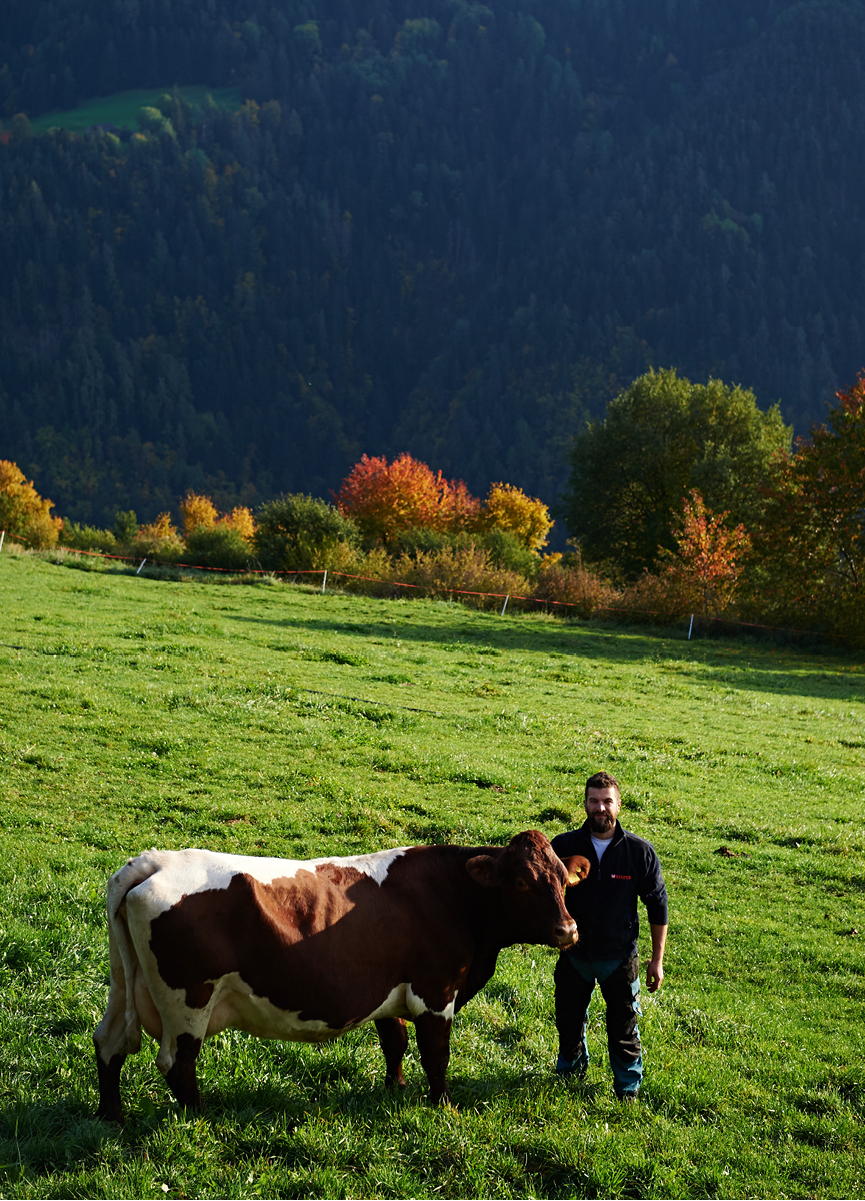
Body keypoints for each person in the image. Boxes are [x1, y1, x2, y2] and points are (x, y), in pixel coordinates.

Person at [550, 770, 668, 1100]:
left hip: (620, 958)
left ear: (619, 805)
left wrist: (656, 960)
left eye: (607, 802)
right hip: (574, 957)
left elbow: (657, 906)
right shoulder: (563, 847)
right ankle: (570, 1072)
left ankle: (627, 1088)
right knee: (568, 1021)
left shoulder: (639, 852)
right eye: (593, 801)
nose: (600, 808)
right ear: (585, 804)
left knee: (623, 1028)